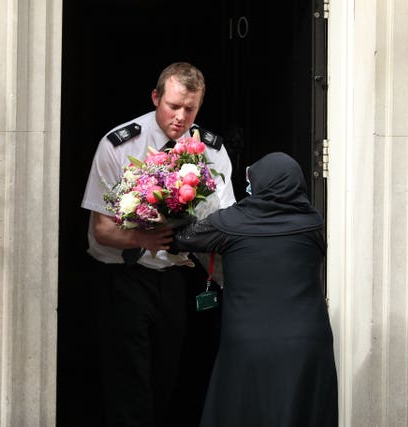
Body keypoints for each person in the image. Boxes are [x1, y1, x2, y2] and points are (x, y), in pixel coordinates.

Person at [80, 61, 236, 427]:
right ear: (155, 97)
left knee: (170, 375)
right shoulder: (119, 144)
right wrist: (143, 237)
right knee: (128, 381)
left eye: (190, 109)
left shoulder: (210, 151)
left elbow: (226, 220)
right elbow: (101, 229)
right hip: (125, 276)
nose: (180, 117)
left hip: (179, 279)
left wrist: (191, 236)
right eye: (173, 106)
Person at [172, 152, 338, 427]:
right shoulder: (314, 224)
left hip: (250, 344)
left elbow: (180, 239)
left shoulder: (230, 223)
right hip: (308, 345)